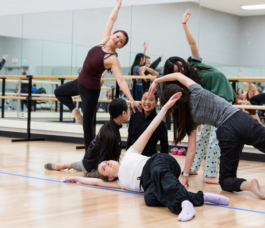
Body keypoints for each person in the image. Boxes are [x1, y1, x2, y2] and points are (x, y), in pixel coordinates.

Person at [149, 72, 265, 199]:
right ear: (182, 91)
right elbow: (178, 75)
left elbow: (191, 150)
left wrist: (184, 176)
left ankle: (249, 185)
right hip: (242, 120)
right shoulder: (197, 91)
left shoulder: (187, 117)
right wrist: (157, 80)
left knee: (226, 181)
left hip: (226, 132)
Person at [63, 93, 230, 222]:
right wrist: (76, 179)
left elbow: (151, 128)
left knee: (157, 171)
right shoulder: (119, 183)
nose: (106, 162)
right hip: (150, 182)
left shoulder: (130, 153)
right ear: (111, 177)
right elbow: (95, 181)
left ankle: (185, 205)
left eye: (104, 162)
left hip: (158, 162)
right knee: (149, 198)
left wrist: (165, 108)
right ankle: (200, 197)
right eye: (104, 168)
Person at [54, 0, 141, 151]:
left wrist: (132, 99)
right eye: (117, 36)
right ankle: (74, 110)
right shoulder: (103, 41)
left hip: (90, 92)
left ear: (120, 46)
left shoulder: (113, 59)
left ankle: (89, 159)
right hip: (79, 82)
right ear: (113, 34)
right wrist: (118, 4)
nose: (117, 39)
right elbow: (111, 19)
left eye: (120, 41)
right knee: (59, 92)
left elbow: (121, 81)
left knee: (88, 125)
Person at [162, 9, 236, 184]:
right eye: (176, 71)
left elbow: (192, 42)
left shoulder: (194, 65)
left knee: (213, 136)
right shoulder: (184, 85)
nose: (180, 71)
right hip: (215, 102)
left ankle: (205, 172)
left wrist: (184, 24)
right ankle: (200, 170)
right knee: (208, 137)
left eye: (180, 66)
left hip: (223, 96)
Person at [44, 98, 128, 177]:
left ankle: (66, 165)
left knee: (82, 164)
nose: (130, 111)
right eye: (129, 109)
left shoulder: (108, 127)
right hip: (91, 170)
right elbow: (102, 166)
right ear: (123, 113)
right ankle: (68, 165)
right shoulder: (110, 135)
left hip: (87, 162)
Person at [127, 90, 169, 156]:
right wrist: (127, 155)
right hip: (133, 157)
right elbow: (130, 138)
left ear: (156, 102)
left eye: (151, 100)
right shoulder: (134, 116)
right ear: (141, 100)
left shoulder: (160, 123)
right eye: (145, 99)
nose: (147, 102)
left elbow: (164, 147)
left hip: (149, 159)